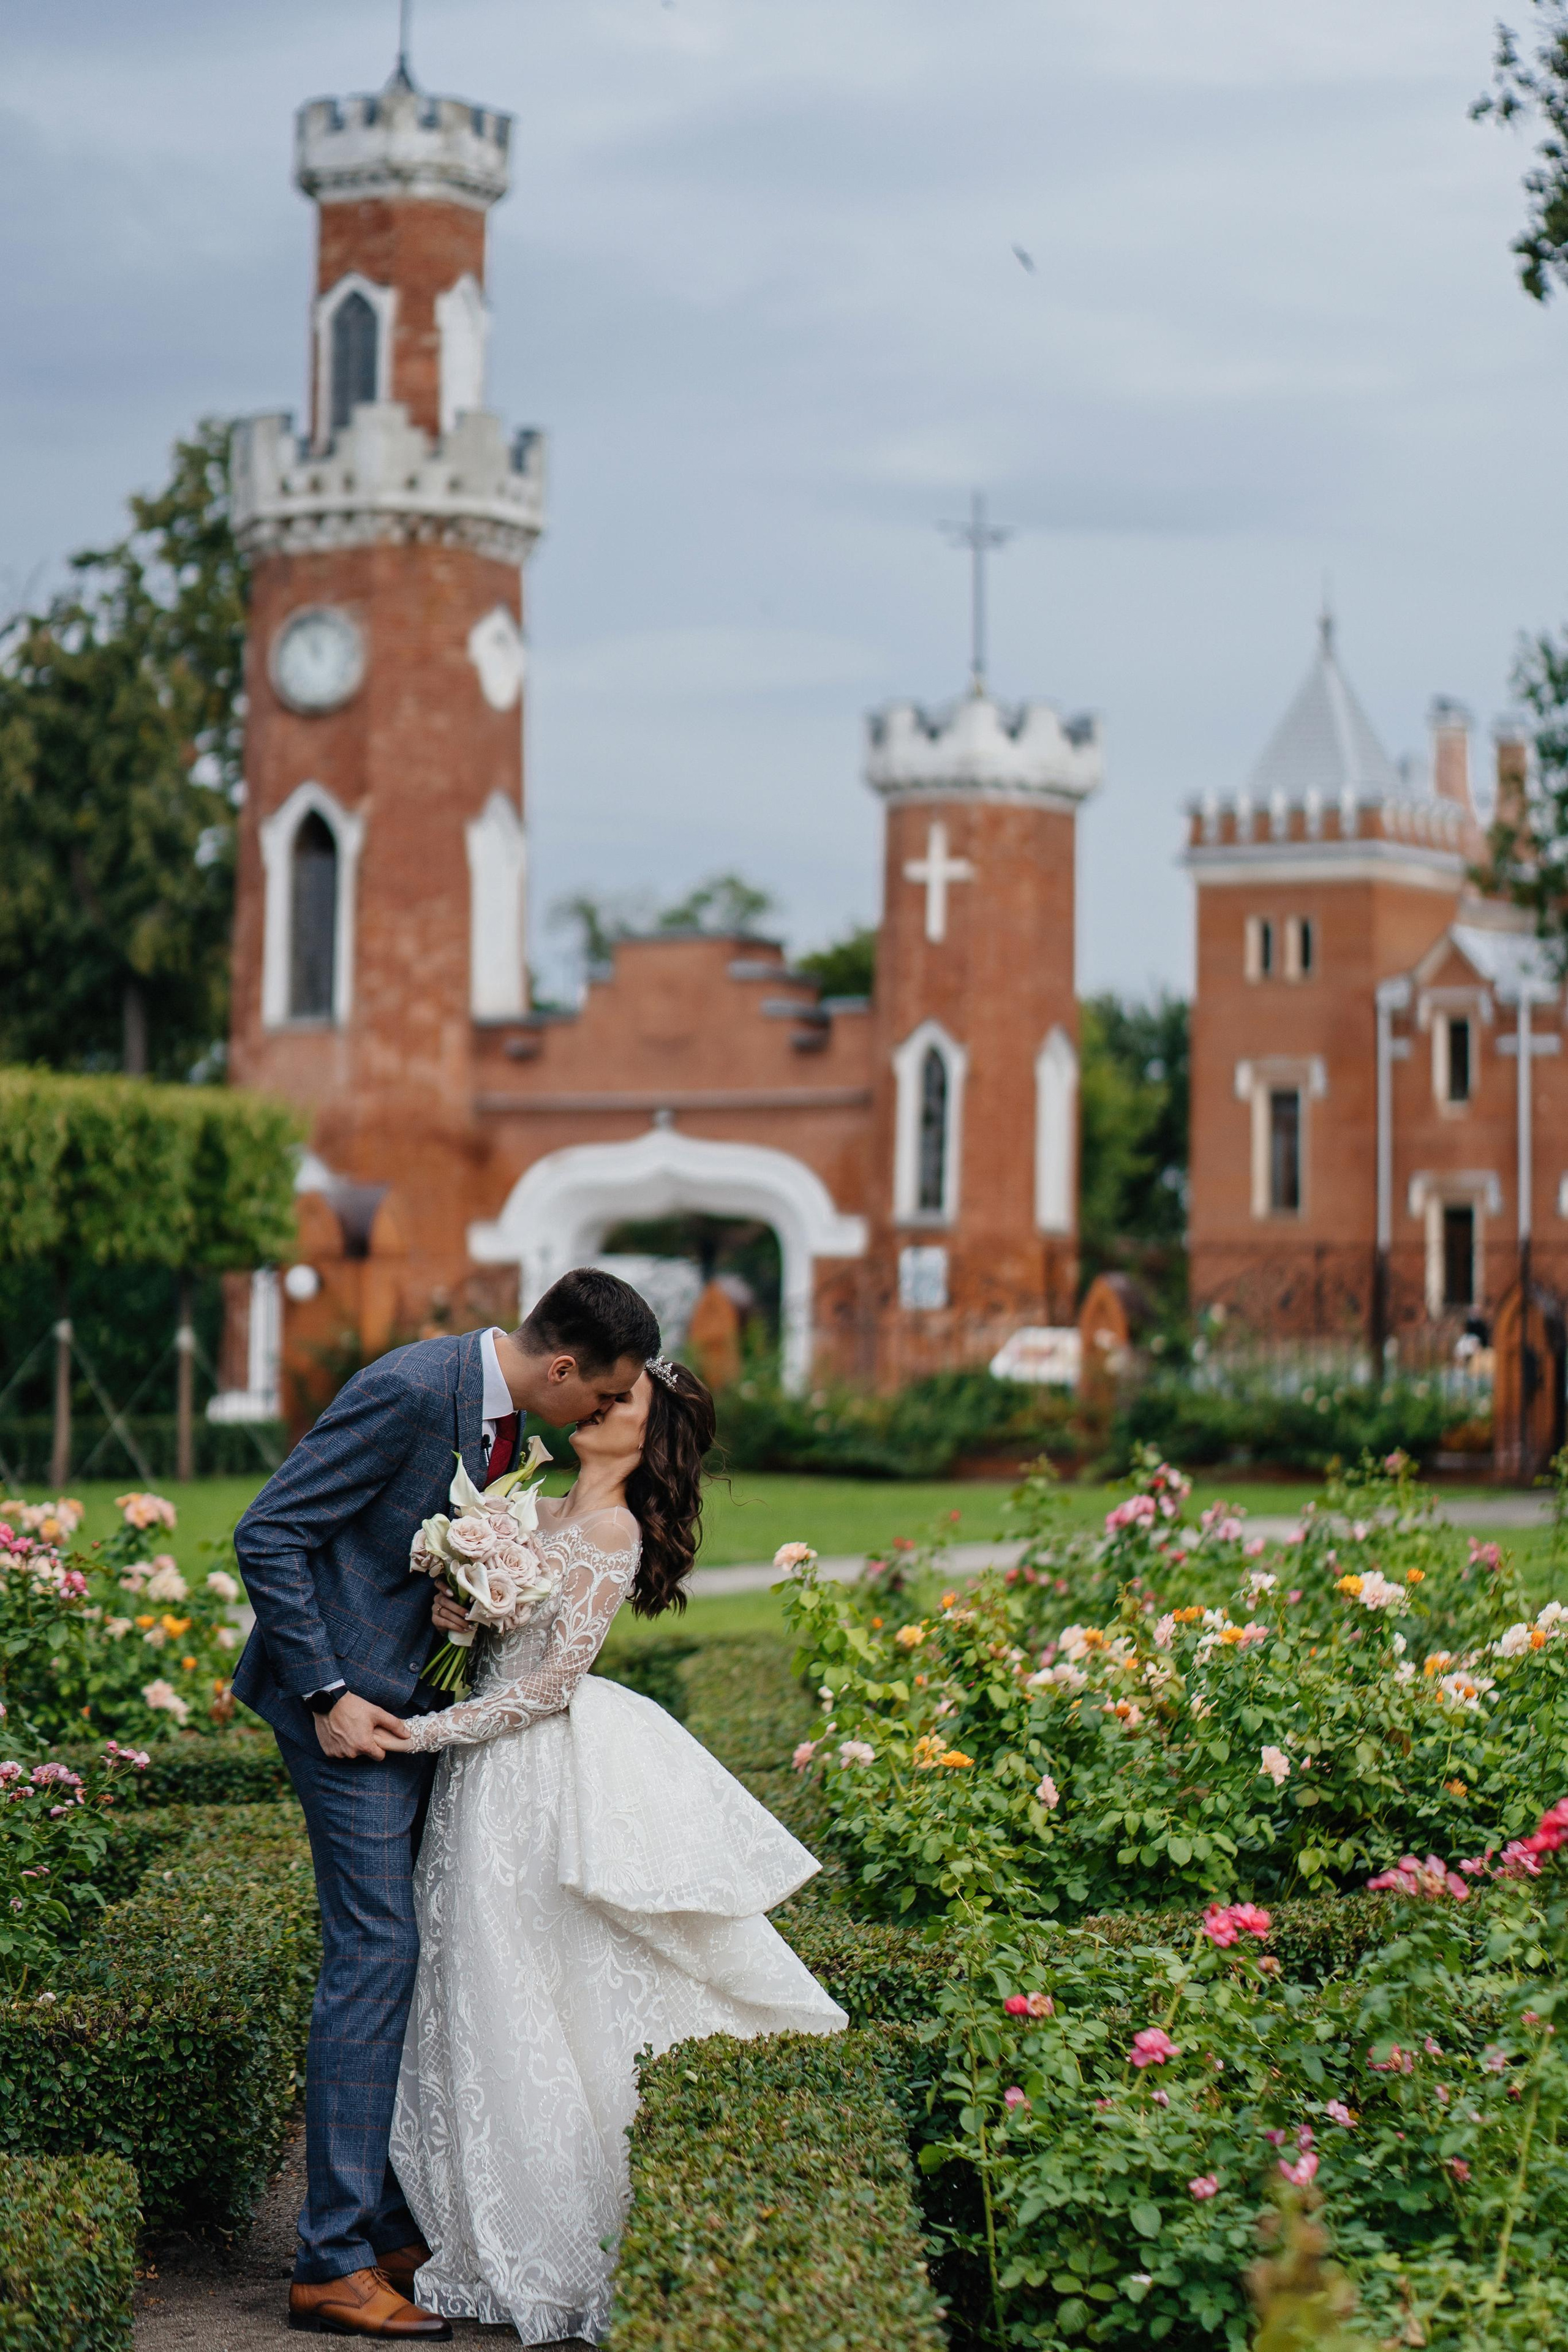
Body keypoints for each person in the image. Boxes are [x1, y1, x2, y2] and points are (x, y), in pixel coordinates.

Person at [232, 1268, 661, 2343]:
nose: (604, 1416)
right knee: (378, 1952)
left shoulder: (506, 1414)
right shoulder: (419, 1389)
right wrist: (329, 1694)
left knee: (402, 1948)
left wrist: (456, 1606)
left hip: (405, 1704)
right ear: (562, 1366)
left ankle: (378, 2223)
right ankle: (331, 2263)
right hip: (347, 1712)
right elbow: (269, 1531)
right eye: (602, 1396)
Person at [385, 1354, 845, 2345]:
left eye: (622, 1398)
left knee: (544, 1983)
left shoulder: (610, 1530)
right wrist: (459, 1612)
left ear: (649, 1435)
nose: (599, 1403)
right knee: (482, 1980)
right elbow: (497, 1641)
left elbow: (551, 1684)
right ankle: (470, 2217)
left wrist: (421, 1732)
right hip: (484, 1781)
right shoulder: (527, 1501)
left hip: (539, 1774)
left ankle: (569, 2236)